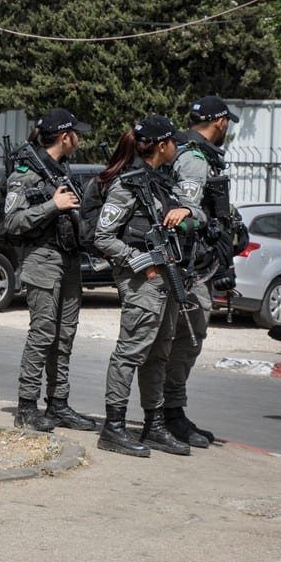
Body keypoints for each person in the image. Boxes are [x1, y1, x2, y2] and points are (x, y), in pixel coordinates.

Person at [93, 117, 197, 458]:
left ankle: (153, 425)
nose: (179, 148)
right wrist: (142, 262)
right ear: (163, 145)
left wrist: (185, 211)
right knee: (130, 352)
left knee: (159, 353)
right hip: (142, 282)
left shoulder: (163, 184)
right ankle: (114, 427)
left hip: (167, 280)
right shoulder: (128, 185)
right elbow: (103, 237)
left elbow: (197, 214)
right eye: (175, 143)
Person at [0, 108, 98, 434]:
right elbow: (11, 221)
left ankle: (58, 404)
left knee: (64, 335)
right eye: (76, 133)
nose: (80, 138)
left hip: (68, 260)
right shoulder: (27, 173)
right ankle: (27, 406)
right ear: (65, 136)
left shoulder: (61, 169)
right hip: (42, 259)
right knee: (42, 334)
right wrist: (51, 206)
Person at [159, 95, 238, 447]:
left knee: (184, 339)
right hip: (187, 267)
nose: (227, 129)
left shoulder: (193, 152)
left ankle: (170, 410)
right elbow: (185, 213)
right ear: (219, 121)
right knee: (186, 340)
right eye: (227, 123)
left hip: (193, 265)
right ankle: (167, 413)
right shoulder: (193, 158)